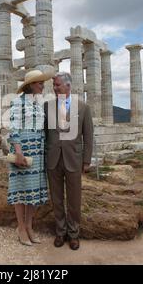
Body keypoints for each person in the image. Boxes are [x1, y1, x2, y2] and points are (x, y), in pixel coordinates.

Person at [44, 72, 93, 250]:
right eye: (54, 85)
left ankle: (73, 234)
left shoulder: (83, 108)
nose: (55, 88)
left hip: (74, 159)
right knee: (56, 199)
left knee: (74, 200)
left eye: (57, 85)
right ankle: (60, 232)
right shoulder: (47, 107)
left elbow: (88, 136)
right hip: (53, 160)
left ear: (68, 86)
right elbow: (45, 134)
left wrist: (86, 161)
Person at [7, 69, 53, 246]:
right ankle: (20, 228)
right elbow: (14, 127)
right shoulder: (17, 102)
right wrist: (18, 151)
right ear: (31, 85)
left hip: (38, 148)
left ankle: (29, 226)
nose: (43, 85)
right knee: (20, 189)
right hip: (23, 147)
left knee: (35, 190)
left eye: (43, 82)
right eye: (40, 83)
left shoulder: (39, 103)